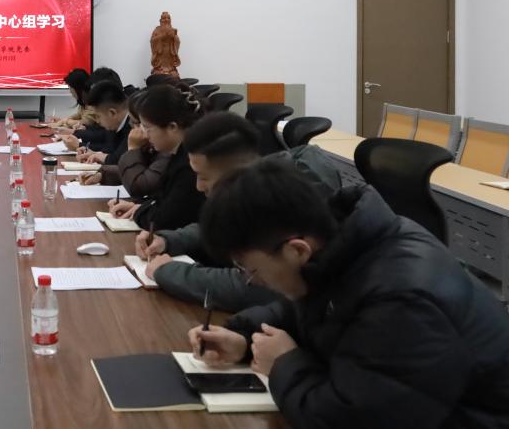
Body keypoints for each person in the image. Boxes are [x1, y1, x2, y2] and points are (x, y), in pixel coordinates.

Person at [189, 159, 509, 428]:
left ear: (296, 250)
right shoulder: (340, 247)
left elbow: (354, 420)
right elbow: (315, 310)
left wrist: (283, 364)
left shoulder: (403, 300)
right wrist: (244, 337)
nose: (252, 282)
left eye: (251, 270)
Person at [135, 111, 341, 311]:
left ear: (234, 173)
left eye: (204, 177)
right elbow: (228, 229)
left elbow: (256, 287)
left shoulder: (289, 204)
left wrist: (169, 272)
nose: (198, 186)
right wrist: (169, 240)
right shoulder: (258, 182)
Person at [107, 83, 205, 231]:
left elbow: (163, 220)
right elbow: (162, 200)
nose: (146, 135)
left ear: (172, 127)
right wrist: (138, 206)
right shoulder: (179, 153)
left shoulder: (190, 163)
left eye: (148, 128)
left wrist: (139, 212)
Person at [73, 80, 133, 166]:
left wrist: (101, 157)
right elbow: (110, 150)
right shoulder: (116, 124)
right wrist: (93, 153)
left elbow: (119, 160)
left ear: (112, 113)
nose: (97, 121)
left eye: (98, 116)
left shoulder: (133, 125)